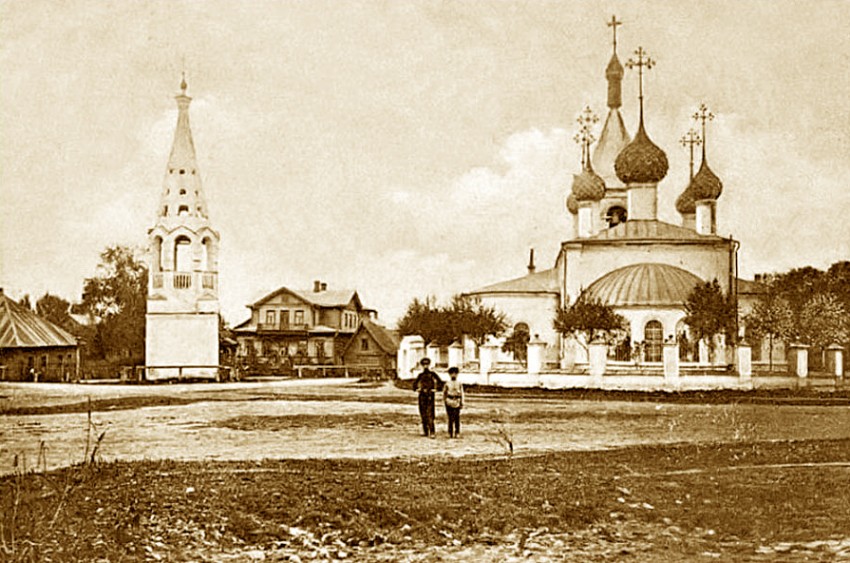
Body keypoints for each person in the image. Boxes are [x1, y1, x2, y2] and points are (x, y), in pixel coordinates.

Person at [413, 357, 440, 437]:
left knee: (430, 414)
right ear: (422, 365)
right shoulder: (420, 375)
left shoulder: (432, 374)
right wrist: (417, 389)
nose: (425, 366)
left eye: (427, 364)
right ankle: (425, 431)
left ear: (429, 365)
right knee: (423, 413)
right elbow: (414, 385)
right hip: (422, 396)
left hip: (430, 396)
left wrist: (435, 389)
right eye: (424, 365)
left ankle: (432, 432)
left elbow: (440, 382)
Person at [443, 366, 464, 438]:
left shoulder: (459, 383)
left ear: (457, 374)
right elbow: (444, 393)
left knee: (457, 418)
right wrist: (445, 402)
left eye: (455, 373)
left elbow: (462, 393)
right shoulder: (447, 383)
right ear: (449, 374)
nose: (453, 375)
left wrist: (462, 402)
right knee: (450, 418)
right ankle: (450, 432)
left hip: (457, 401)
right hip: (449, 401)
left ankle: (457, 432)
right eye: (452, 373)